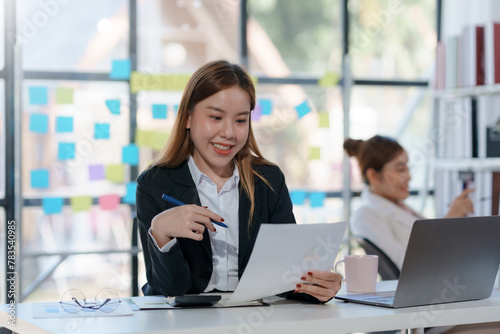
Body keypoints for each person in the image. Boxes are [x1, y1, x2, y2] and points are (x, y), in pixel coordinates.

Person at [136, 60, 341, 303]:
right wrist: (161, 233)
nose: (229, 133)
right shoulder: (155, 183)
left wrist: (318, 287)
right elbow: (169, 289)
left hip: (252, 318)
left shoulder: (268, 181)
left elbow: (284, 278)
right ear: (188, 118)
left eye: (240, 120)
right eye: (215, 117)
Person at [343, 135, 474, 269]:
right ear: (374, 176)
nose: (409, 177)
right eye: (401, 169)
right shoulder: (366, 215)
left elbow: (428, 243)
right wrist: (449, 221)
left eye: (407, 168)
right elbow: (408, 266)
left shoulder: (399, 207)